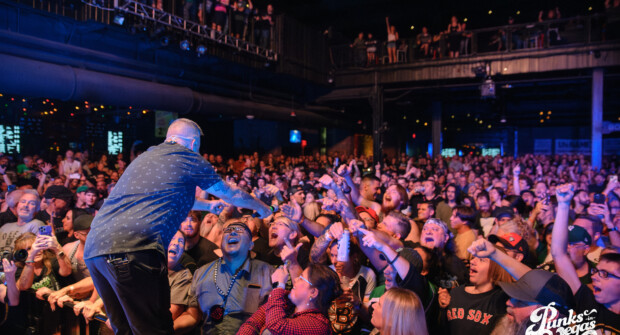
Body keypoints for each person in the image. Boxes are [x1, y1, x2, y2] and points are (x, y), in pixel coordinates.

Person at [83, 118, 272, 335]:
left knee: (125, 329)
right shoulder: (187, 156)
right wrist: (263, 208)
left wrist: (208, 205)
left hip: (95, 251)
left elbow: (167, 195)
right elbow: (232, 193)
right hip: (132, 248)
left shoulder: (145, 158)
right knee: (156, 329)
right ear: (193, 144)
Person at [176, 221, 273, 334]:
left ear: (251, 245)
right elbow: (192, 315)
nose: (232, 232)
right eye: (227, 230)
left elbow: (275, 317)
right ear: (221, 242)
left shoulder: (267, 272)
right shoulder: (201, 273)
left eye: (239, 230)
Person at [238, 264, 342, 335]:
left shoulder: (318, 325)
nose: (295, 279)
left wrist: (279, 286)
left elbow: (277, 325)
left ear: (313, 292)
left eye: (301, 278)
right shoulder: (285, 301)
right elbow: (253, 323)